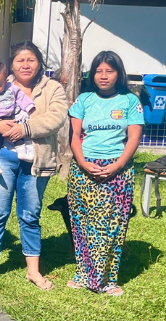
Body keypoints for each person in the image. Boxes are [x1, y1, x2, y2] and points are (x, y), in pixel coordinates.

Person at [0, 41, 68, 290]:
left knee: (30, 215)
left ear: (39, 62)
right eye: (20, 60)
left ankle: (33, 270)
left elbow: (56, 117)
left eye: (31, 59)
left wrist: (25, 128)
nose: (25, 65)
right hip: (1, 157)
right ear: (12, 64)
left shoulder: (52, 88)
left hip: (36, 161)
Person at [67, 51, 143, 296]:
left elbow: (134, 138)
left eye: (109, 71)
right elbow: (74, 137)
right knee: (82, 223)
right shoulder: (84, 100)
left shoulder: (130, 101)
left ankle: (108, 279)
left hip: (118, 170)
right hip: (84, 170)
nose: (103, 76)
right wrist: (83, 163)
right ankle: (83, 274)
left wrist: (117, 165)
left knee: (113, 225)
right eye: (98, 71)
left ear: (119, 74)